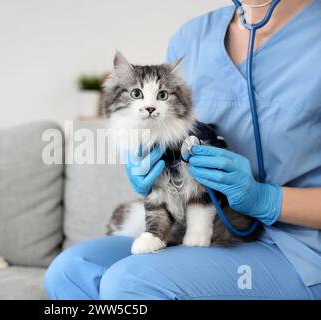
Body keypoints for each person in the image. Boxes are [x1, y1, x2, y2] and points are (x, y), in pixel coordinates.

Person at [44, 0, 321, 299]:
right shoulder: (192, 37)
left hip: (296, 249)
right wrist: (143, 161)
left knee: (130, 283)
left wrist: (264, 199)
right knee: (72, 269)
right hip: (193, 228)